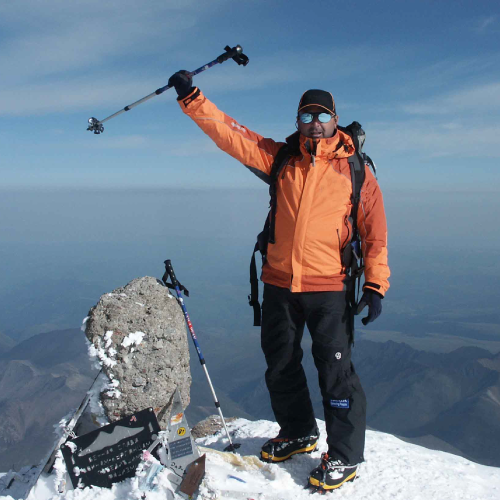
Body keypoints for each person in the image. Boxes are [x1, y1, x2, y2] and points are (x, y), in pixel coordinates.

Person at [168, 70, 390, 492]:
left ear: (335, 119)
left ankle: (344, 455)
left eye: (321, 115)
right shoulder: (282, 158)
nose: (313, 123)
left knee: (335, 374)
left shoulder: (355, 170)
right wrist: (193, 97)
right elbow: (233, 136)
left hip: (329, 287)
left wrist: (376, 285)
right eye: (306, 115)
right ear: (298, 120)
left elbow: (375, 231)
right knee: (281, 363)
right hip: (279, 284)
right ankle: (298, 430)